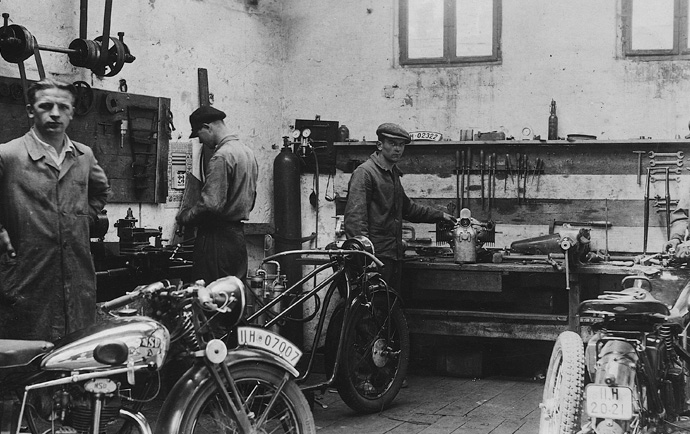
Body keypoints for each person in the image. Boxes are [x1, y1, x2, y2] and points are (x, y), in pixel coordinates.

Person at [0, 78, 111, 341]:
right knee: (28, 360)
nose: (55, 114)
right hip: (26, 277)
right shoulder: (9, 155)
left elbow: (101, 192)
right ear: (30, 110)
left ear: (72, 112)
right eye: (46, 106)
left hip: (77, 276)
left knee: (76, 354)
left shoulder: (84, 156)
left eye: (63, 107)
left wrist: (80, 220)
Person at [344, 122, 455, 291]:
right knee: (371, 310)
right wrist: (366, 260)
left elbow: (408, 208)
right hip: (376, 257)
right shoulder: (365, 173)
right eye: (393, 144)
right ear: (380, 145)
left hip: (392, 255)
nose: (398, 149)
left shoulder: (392, 174)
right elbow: (355, 220)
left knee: (388, 307)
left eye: (401, 145)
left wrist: (440, 215)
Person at [175, 106, 259, 283]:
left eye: (199, 136)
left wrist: (185, 216)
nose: (201, 141)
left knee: (210, 301)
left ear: (207, 127)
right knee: (233, 298)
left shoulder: (221, 156)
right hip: (237, 240)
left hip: (216, 241)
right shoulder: (247, 153)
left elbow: (211, 205)